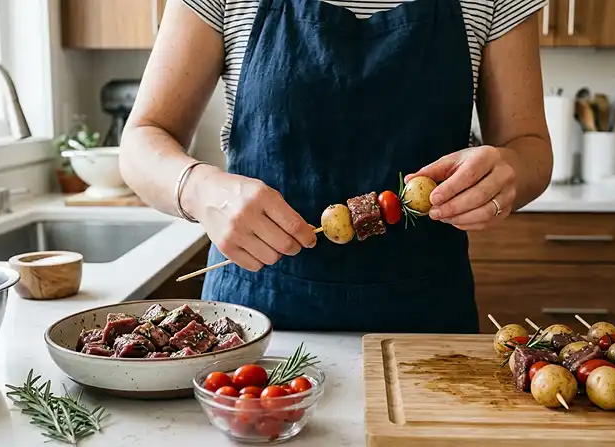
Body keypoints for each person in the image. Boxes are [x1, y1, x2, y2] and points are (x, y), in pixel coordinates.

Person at [120, 0, 553, 333]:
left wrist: (508, 169)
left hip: (426, 316)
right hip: (252, 320)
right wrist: (201, 190)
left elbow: (530, 150)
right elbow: (142, 139)